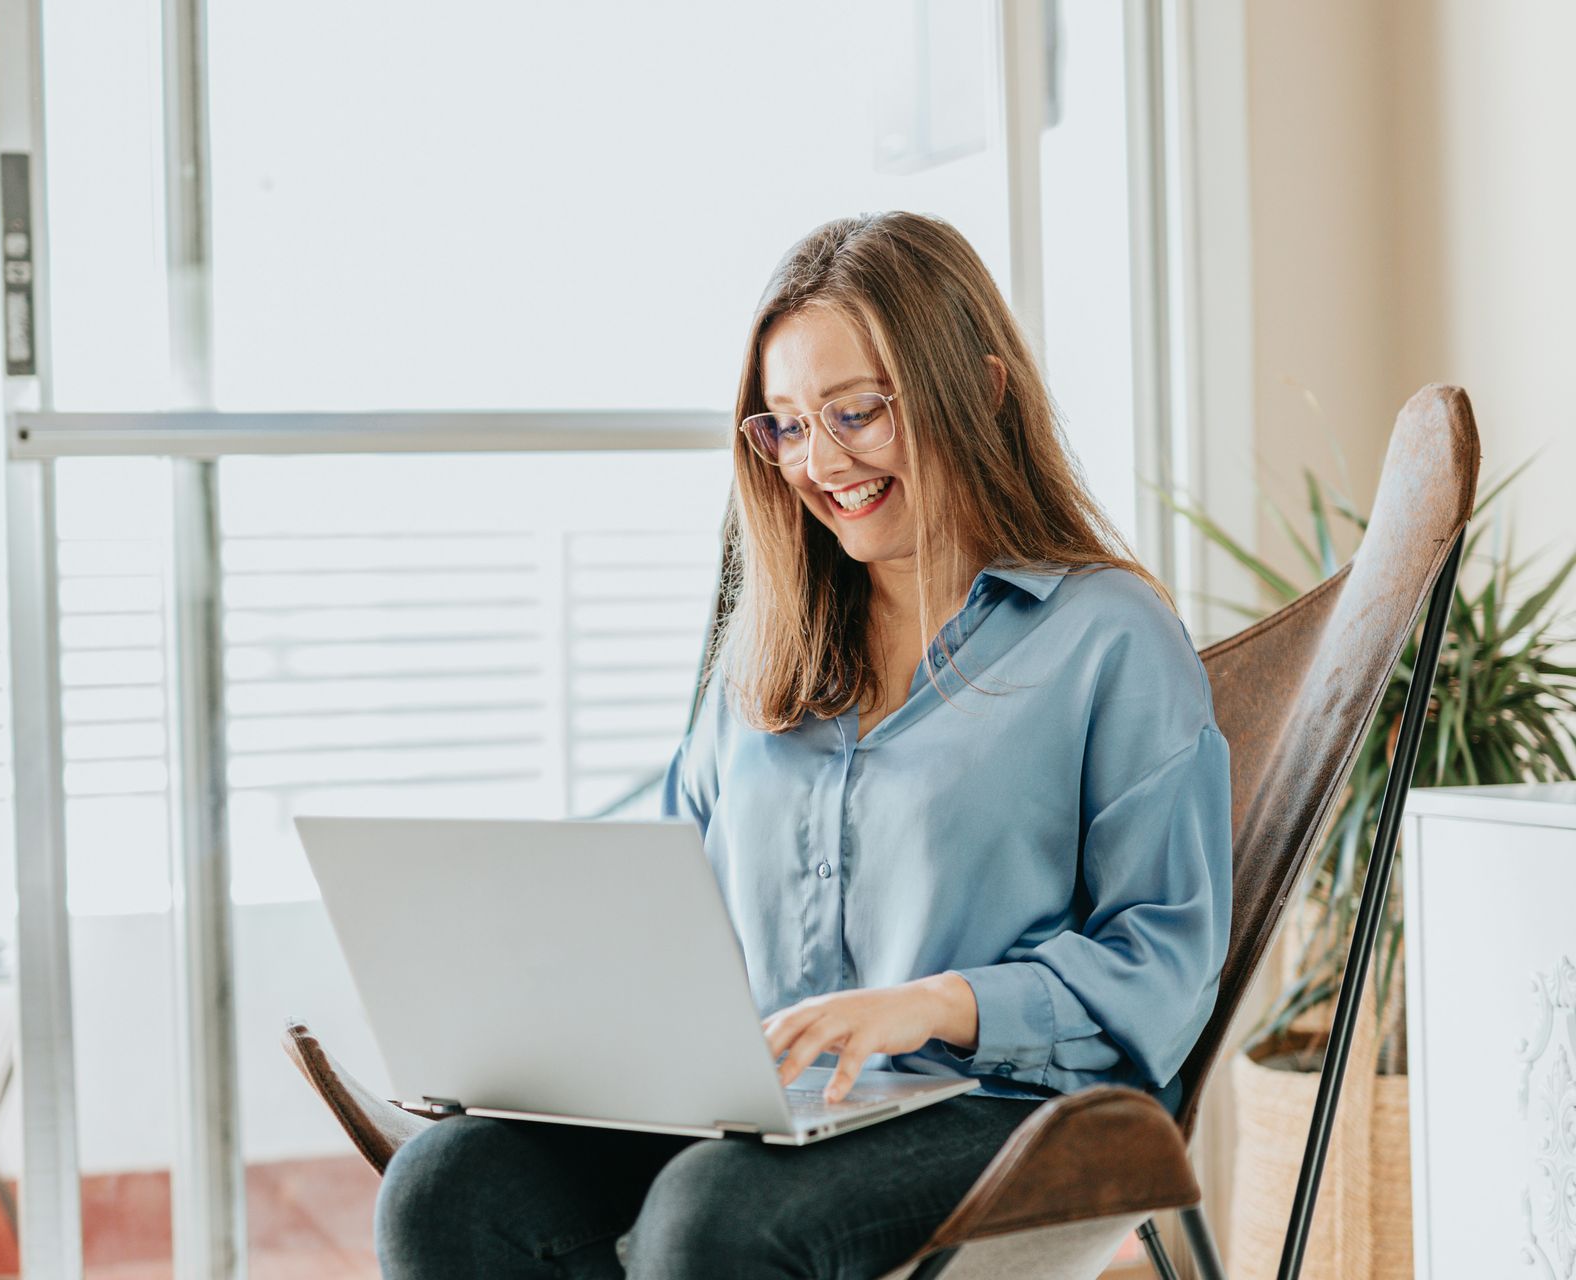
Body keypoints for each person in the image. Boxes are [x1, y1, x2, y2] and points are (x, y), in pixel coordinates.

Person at [374, 211, 1232, 1279]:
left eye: (857, 412)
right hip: (766, 1111)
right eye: (783, 425)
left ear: (986, 387)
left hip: (1009, 1108)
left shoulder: (1107, 638)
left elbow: (1165, 966)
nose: (820, 463)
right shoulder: (763, 658)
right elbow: (667, 913)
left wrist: (934, 1002)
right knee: (446, 1185)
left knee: (714, 1212)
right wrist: (537, 1055)